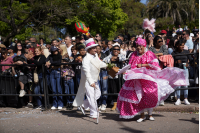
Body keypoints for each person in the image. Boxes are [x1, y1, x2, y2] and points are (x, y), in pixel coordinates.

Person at [116, 38, 189, 122]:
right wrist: (124, 71)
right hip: (136, 79)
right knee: (138, 97)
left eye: (141, 46)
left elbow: (155, 66)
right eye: (137, 46)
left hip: (148, 78)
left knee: (150, 95)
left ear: (144, 46)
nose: (139, 48)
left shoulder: (149, 54)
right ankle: (142, 115)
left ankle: (150, 114)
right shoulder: (133, 54)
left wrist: (143, 65)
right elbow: (130, 65)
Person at [73, 38, 107, 119]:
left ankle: (83, 105)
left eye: (96, 48)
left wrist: (107, 65)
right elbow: (86, 71)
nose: (96, 49)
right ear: (89, 49)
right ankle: (93, 112)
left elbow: (99, 63)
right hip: (88, 80)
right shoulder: (86, 59)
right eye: (94, 48)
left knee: (98, 94)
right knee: (91, 96)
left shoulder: (95, 56)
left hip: (95, 79)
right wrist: (91, 81)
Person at [103, 44, 126, 111]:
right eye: (114, 49)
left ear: (119, 51)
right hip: (112, 75)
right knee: (113, 90)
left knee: (121, 89)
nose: (116, 50)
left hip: (120, 75)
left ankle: (121, 104)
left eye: (117, 49)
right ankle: (115, 104)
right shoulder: (110, 55)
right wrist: (110, 59)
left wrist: (116, 58)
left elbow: (124, 59)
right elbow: (104, 60)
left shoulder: (121, 55)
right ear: (112, 50)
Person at [172, 40, 192, 105]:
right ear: (177, 46)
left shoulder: (186, 52)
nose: (182, 47)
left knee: (185, 83)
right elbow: (171, 61)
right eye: (181, 45)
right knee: (178, 84)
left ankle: (186, 98)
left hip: (185, 69)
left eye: (183, 45)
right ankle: (178, 99)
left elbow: (191, 60)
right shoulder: (174, 53)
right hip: (177, 69)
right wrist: (176, 62)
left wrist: (188, 64)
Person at [96, 45, 108, 111]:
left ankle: (104, 102)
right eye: (96, 49)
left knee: (104, 88)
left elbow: (107, 64)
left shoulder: (104, 55)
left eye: (98, 49)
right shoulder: (93, 56)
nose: (97, 50)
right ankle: (99, 102)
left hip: (104, 72)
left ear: (100, 49)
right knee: (98, 88)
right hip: (96, 73)